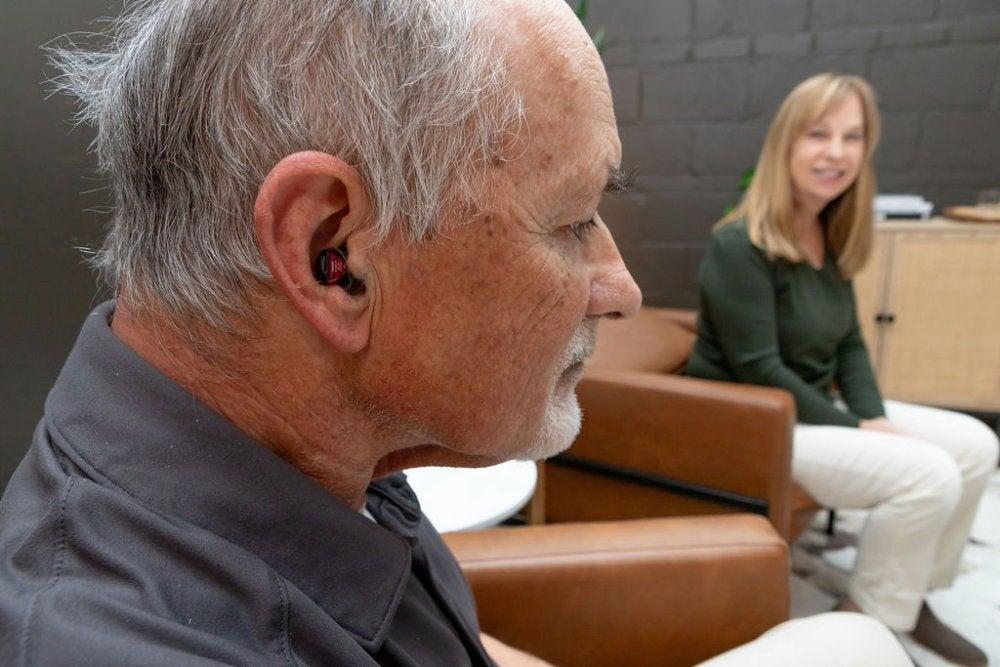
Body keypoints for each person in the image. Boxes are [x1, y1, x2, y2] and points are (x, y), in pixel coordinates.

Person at [0, 2, 911, 664]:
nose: (621, 288)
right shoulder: (121, 639)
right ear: (333, 255)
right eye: (573, 220)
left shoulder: (329, 436)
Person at [687, 72, 999, 666]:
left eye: (852, 137)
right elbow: (759, 369)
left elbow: (851, 345)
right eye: (819, 134)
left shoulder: (827, 235)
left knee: (976, 445)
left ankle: (907, 595)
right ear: (786, 143)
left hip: (807, 405)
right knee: (928, 474)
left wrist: (873, 416)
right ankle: (868, 623)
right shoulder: (738, 246)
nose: (836, 152)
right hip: (751, 421)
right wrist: (859, 428)